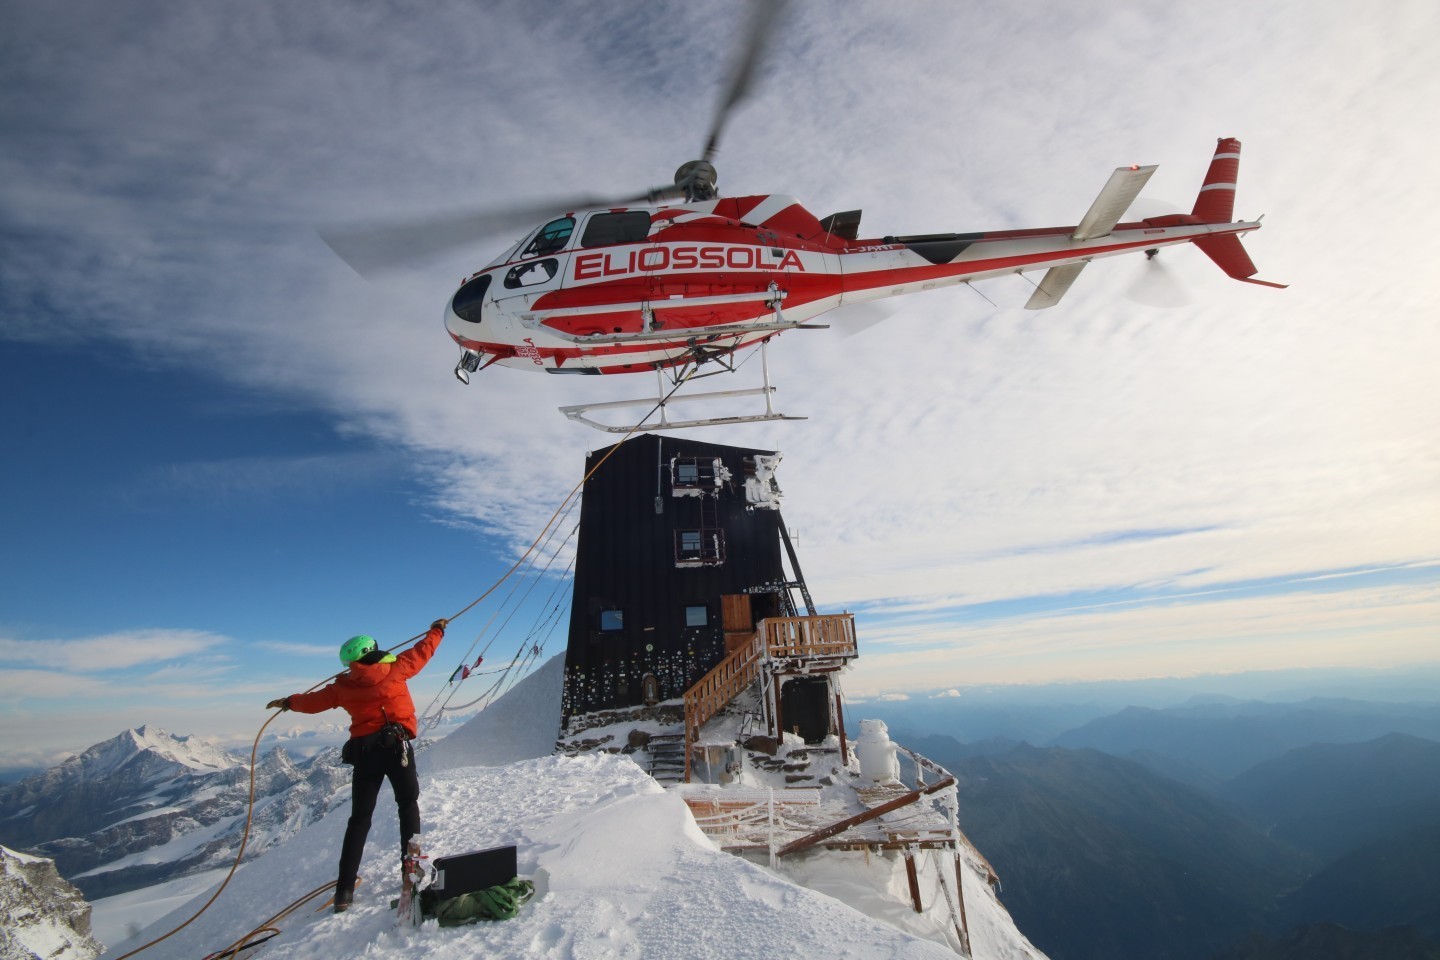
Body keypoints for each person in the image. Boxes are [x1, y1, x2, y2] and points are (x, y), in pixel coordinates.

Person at [266, 618, 447, 913]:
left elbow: (313, 702)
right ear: (373, 650)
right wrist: (437, 630)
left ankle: (344, 890)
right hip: (396, 747)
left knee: (359, 820)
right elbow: (423, 651)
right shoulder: (397, 668)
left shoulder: (343, 686)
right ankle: (410, 872)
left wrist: (289, 701)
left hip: (365, 754)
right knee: (408, 805)